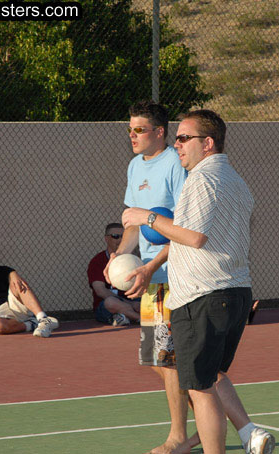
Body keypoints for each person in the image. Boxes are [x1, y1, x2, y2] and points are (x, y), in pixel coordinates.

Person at [122, 110, 275, 454]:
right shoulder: (237, 181)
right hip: (235, 292)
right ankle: (247, 432)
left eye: (183, 138)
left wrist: (148, 217)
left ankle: (212, 444)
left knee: (201, 388)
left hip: (203, 297)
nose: (176, 144)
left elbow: (194, 237)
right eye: (176, 137)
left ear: (207, 144)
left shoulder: (201, 180)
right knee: (212, 377)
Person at [104, 100, 189, 454]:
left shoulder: (175, 164)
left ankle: (179, 437)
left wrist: (151, 266)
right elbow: (134, 226)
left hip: (177, 273)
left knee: (166, 357)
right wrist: (120, 257)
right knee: (159, 359)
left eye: (139, 129)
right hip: (152, 275)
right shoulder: (134, 166)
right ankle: (212, 408)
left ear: (159, 132)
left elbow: (185, 228)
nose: (132, 135)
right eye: (130, 129)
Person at [87, 223, 140, 326]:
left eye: (123, 237)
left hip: (133, 302)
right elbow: (100, 291)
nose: (120, 240)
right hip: (107, 306)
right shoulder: (97, 261)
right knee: (110, 302)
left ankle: (124, 316)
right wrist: (130, 304)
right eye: (115, 236)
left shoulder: (132, 260)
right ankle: (141, 319)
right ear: (106, 239)